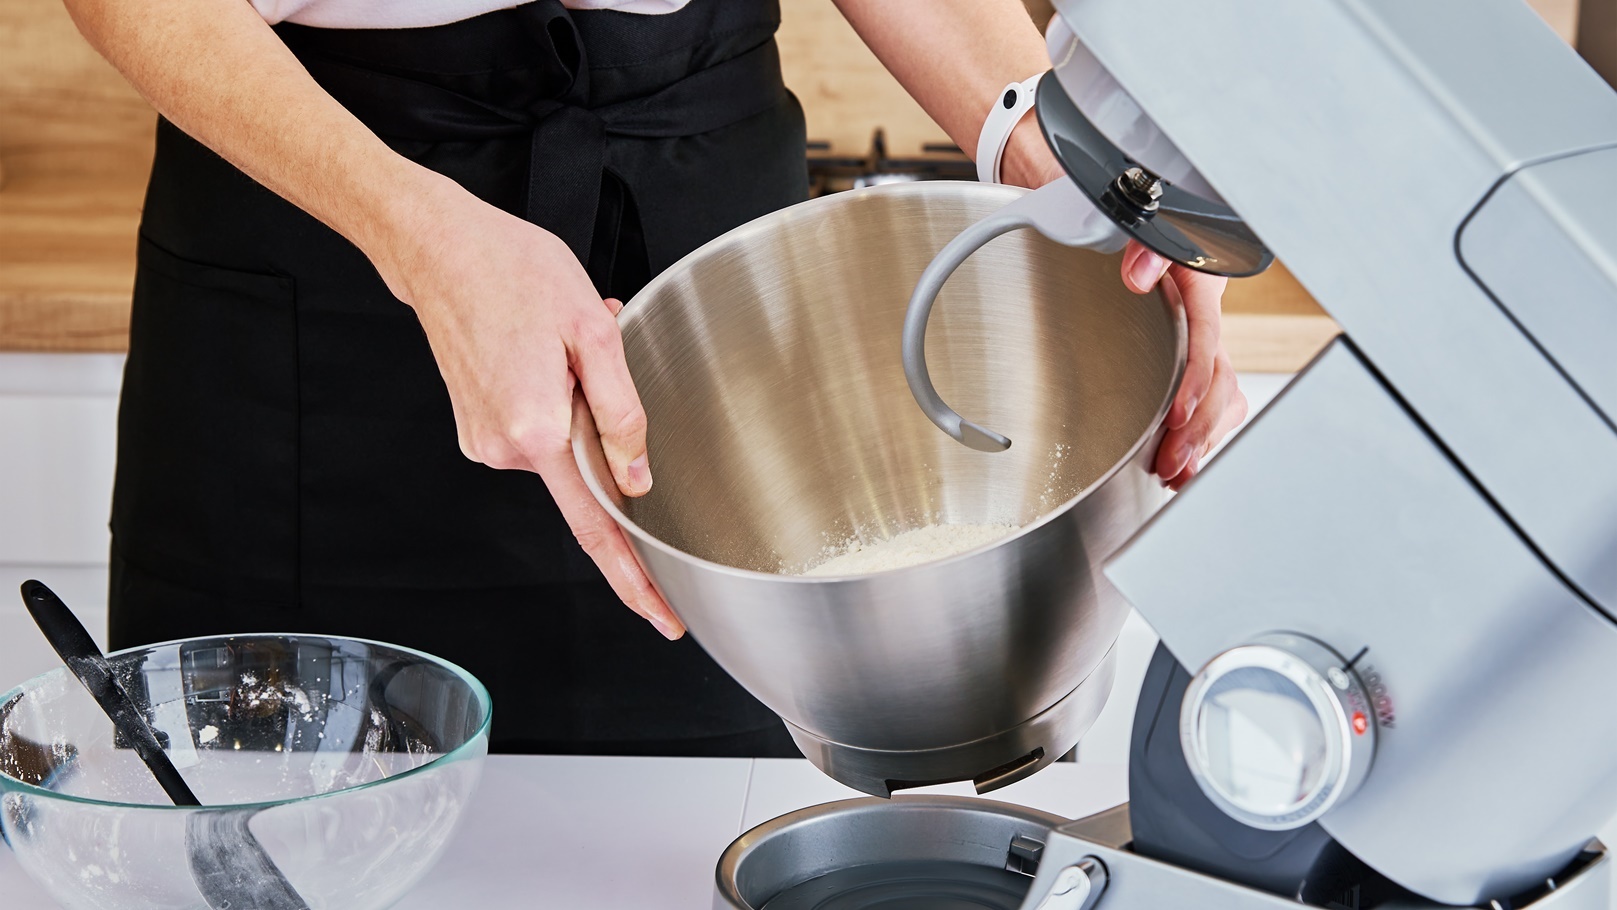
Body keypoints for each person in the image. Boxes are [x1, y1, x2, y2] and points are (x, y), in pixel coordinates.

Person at [66, 0, 1247, 756]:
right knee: (267, 829)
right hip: (316, 229)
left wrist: (1066, 165)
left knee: (698, 840)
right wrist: (418, 234)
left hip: (712, 257)